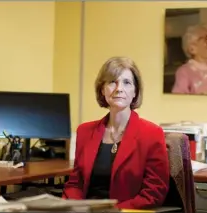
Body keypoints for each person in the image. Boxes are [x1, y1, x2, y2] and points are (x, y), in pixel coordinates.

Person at [63, 56, 170, 210]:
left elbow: (154, 192)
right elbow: (75, 184)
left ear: (135, 91)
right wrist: (74, 207)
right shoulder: (85, 131)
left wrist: (113, 211)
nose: (119, 88)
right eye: (112, 81)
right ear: (102, 89)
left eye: (127, 82)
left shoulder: (152, 133)